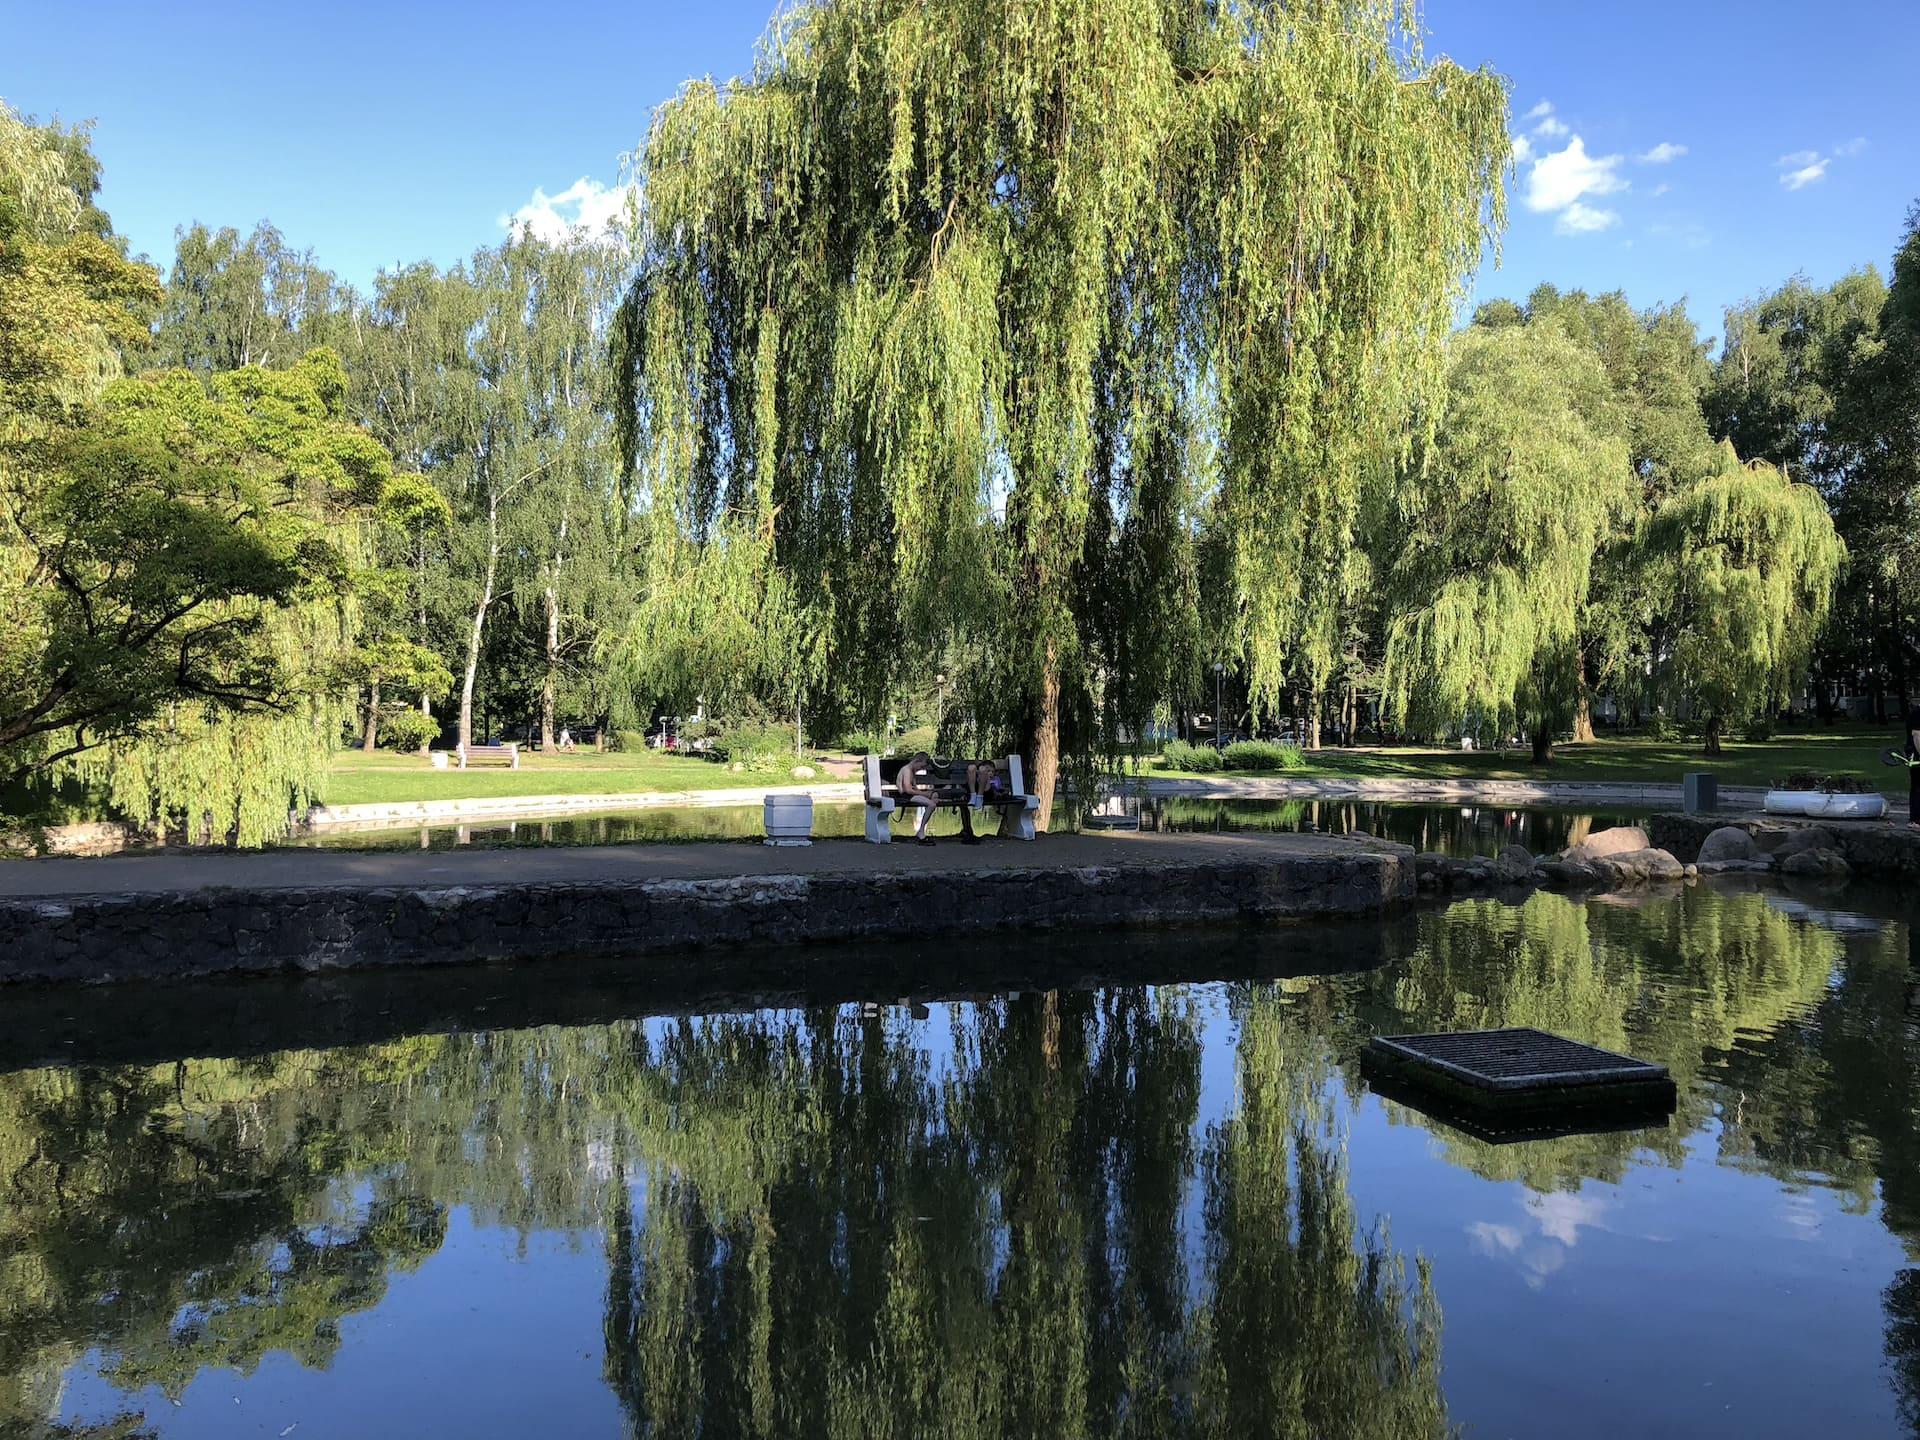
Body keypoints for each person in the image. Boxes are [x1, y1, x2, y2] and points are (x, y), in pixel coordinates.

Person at [895, 751, 938, 845]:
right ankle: (921, 832)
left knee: (934, 798)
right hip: (906, 796)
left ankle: (921, 831)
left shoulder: (911, 771)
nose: (920, 769)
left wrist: (928, 794)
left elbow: (915, 788)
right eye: (921, 766)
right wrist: (925, 794)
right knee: (931, 804)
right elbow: (908, 790)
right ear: (917, 761)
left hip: (911, 795)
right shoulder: (906, 770)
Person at [1906, 705, 1920, 831]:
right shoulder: (1917, 713)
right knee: (1918, 787)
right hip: (1916, 757)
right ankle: (1915, 820)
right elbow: (1917, 735)